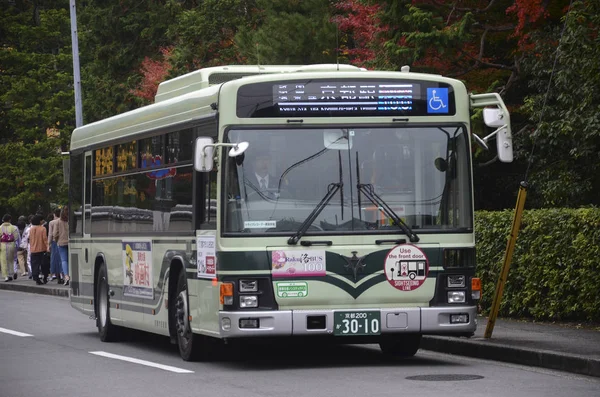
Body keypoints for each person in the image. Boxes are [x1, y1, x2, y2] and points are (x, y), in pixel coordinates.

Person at [29, 214, 49, 285]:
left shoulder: (31, 229)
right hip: (41, 249)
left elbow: (30, 239)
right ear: (39, 221)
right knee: (44, 264)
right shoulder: (43, 228)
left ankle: (36, 277)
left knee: (35, 264)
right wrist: (47, 247)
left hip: (33, 249)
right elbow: (45, 239)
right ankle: (45, 277)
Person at [0, 214, 19, 282]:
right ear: (9, 220)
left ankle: (6, 276)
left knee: (3, 260)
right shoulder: (13, 227)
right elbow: (16, 237)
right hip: (11, 245)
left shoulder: (0, 227)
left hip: (3, 245)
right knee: (11, 260)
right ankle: (11, 273)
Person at [54, 206, 69, 286]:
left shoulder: (58, 221)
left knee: (64, 260)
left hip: (61, 242)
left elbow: (55, 233)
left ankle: (66, 276)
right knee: (70, 260)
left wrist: (56, 240)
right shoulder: (72, 220)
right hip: (71, 242)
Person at [47, 209, 63, 283]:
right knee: (63, 259)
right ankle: (64, 275)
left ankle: (58, 277)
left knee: (55, 260)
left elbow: (50, 234)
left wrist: (48, 244)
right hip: (63, 241)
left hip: (54, 242)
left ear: (54, 214)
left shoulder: (52, 222)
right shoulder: (64, 221)